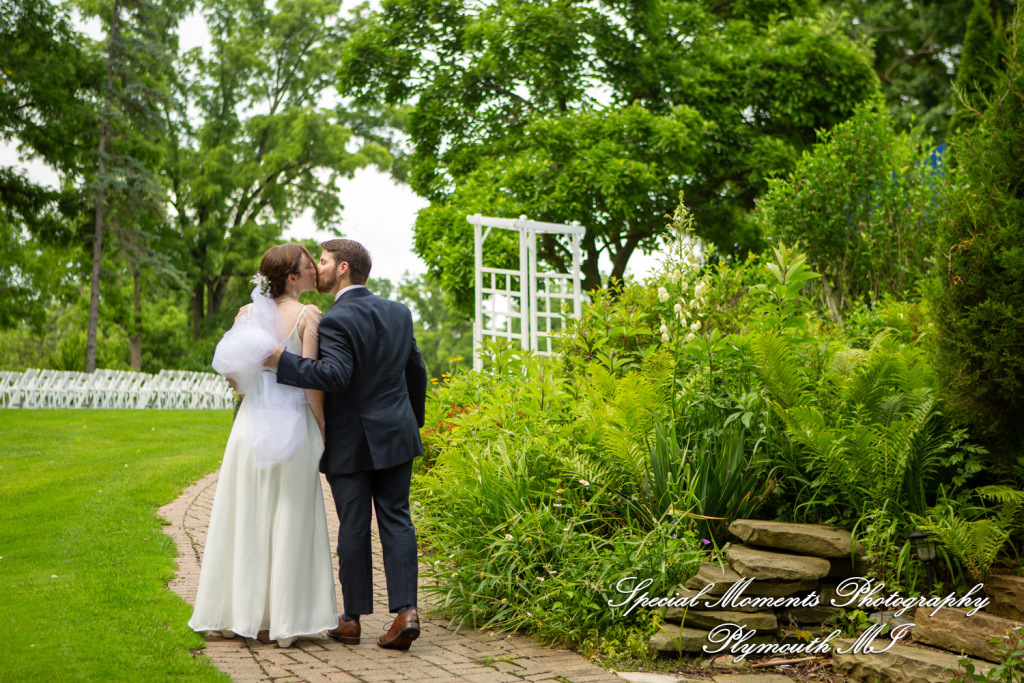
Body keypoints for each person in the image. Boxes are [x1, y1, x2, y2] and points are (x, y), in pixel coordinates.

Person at [265, 238, 428, 650]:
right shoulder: (399, 312)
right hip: (397, 435)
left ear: (342, 268)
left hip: (351, 439)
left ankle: (352, 620)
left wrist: (282, 361)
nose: (316, 267)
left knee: (354, 525)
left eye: (322, 261)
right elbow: (416, 371)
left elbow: (335, 376)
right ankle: (406, 612)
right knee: (397, 519)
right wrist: (412, 422)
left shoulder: (336, 319)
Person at [189, 243, 338, 648]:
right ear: (292, 278)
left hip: (250, 423)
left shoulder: (247, 314)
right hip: (294, 423)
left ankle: (236, 615)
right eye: (309, 266)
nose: (315, 270)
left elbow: (232, 375)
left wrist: (254, 392)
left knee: (244, 513)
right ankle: (284, 619)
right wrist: (322, 425)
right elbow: (310, 381)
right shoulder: (308, 315)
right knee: (291, 515)